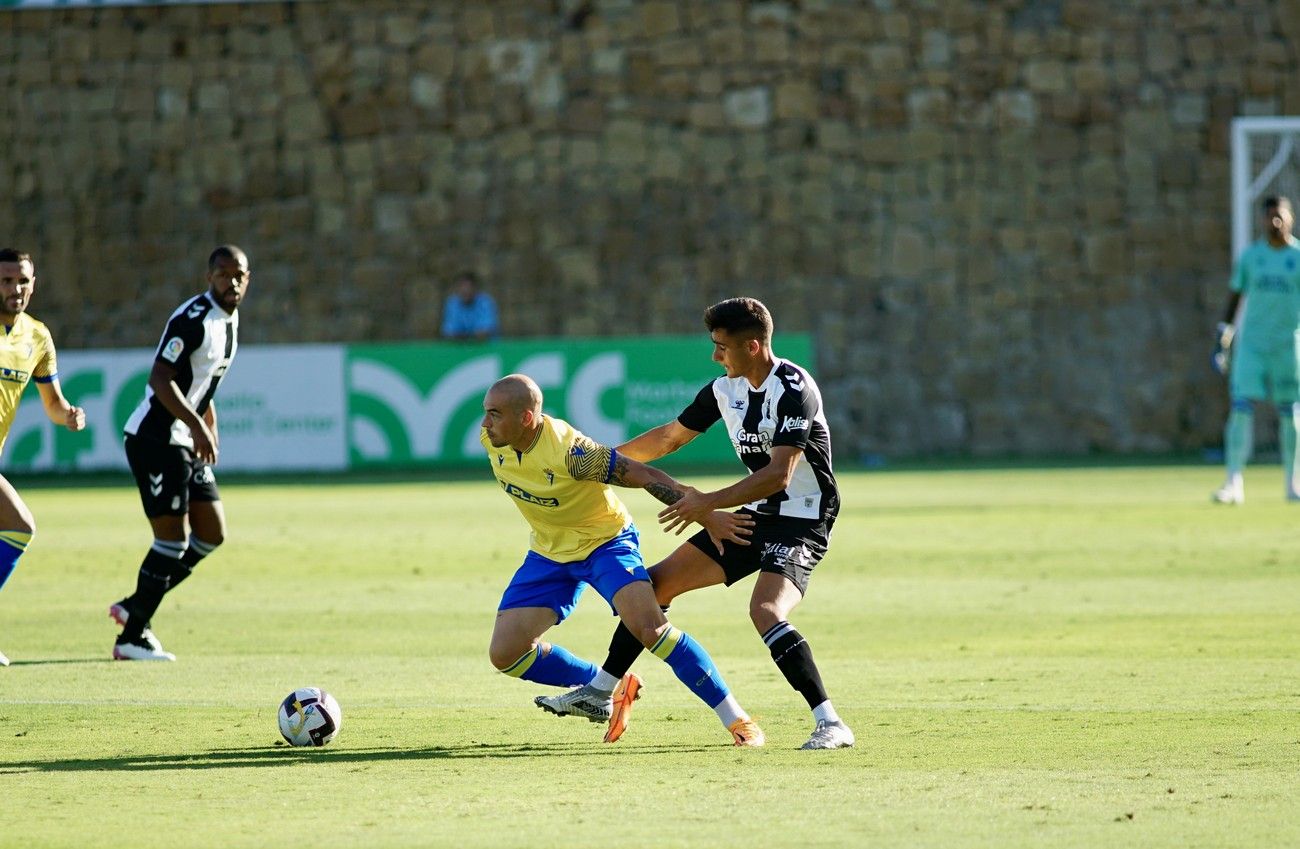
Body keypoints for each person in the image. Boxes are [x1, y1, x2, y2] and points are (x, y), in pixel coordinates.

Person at [539, 297, 854, 750]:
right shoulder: (724, 390)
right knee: (652, 588)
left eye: (721, 346)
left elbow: (778, 475)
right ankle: (599, 693)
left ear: (752, 345)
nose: (715, 355)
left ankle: (831, 723)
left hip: (804, 517)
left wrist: (705, 504)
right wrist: (603, 462)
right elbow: (669, 438)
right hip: (757, 514)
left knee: (765, 610)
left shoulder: (794, 388)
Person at [481, 373, 765, 746]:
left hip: (605, 544)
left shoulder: (573, 454)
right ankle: (605, 687)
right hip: (549, 552)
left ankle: (738, 720)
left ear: (526, 419)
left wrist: (706, 512)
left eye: (494, 414)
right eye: (485, 413)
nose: (485, 424)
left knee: (652, 630)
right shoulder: (493, 439)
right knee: (505, 654)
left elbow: (645, 474)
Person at [109, 245, 249, 661]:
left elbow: (204, 383)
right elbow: (160, 378)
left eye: (239, 274)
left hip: (184, 440)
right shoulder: (194, 320)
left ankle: (137, 602)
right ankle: (132, 637)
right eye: (224, 274)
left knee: (211, 534)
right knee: (170, 541)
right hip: (155, 439)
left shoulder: (231, 318)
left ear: (248, 278)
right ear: (210, 277)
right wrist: (194, 424)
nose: (232, 282)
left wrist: (209, 425)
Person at [0, 249, 86, 667]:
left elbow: (52, 402)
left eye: (22, 281)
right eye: (5, 281)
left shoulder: (37, 337)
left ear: (34, 284)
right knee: (19, 525)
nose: (15, 289)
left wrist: (67, 415)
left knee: (18, 528)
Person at [1211, 196, 1300, 504]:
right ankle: (1233, 482)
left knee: (1291, 415)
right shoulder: (1251, 257)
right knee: (1240, 410)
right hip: (1252, 345)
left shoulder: (1299, 257)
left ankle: (1293, 483)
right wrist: (1223, 340)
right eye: (1269, 217)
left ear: (1291, 218)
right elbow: (1234, 299)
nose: (1275, 222)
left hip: (1288, 346)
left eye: (1280, 216)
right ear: (1262, 220)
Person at [440, 271, 499, 341]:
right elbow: (449, 332)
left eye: (468, 287)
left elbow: (485, 332)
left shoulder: (485, 303)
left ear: (475, 288)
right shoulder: (452, 303)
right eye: (462, 286)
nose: (465, 290)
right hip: (459, 348)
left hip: (484, 348)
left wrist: (462, 336)